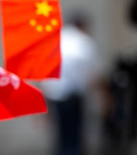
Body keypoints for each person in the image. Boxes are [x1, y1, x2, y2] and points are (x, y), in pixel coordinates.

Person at [42, 12, 103, 155]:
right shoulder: (83, 42)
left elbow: (44, 73)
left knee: (61, 137)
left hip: (54, 95)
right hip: (73, 96)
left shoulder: (56, 40)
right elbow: (95, 73)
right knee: (74, 138)